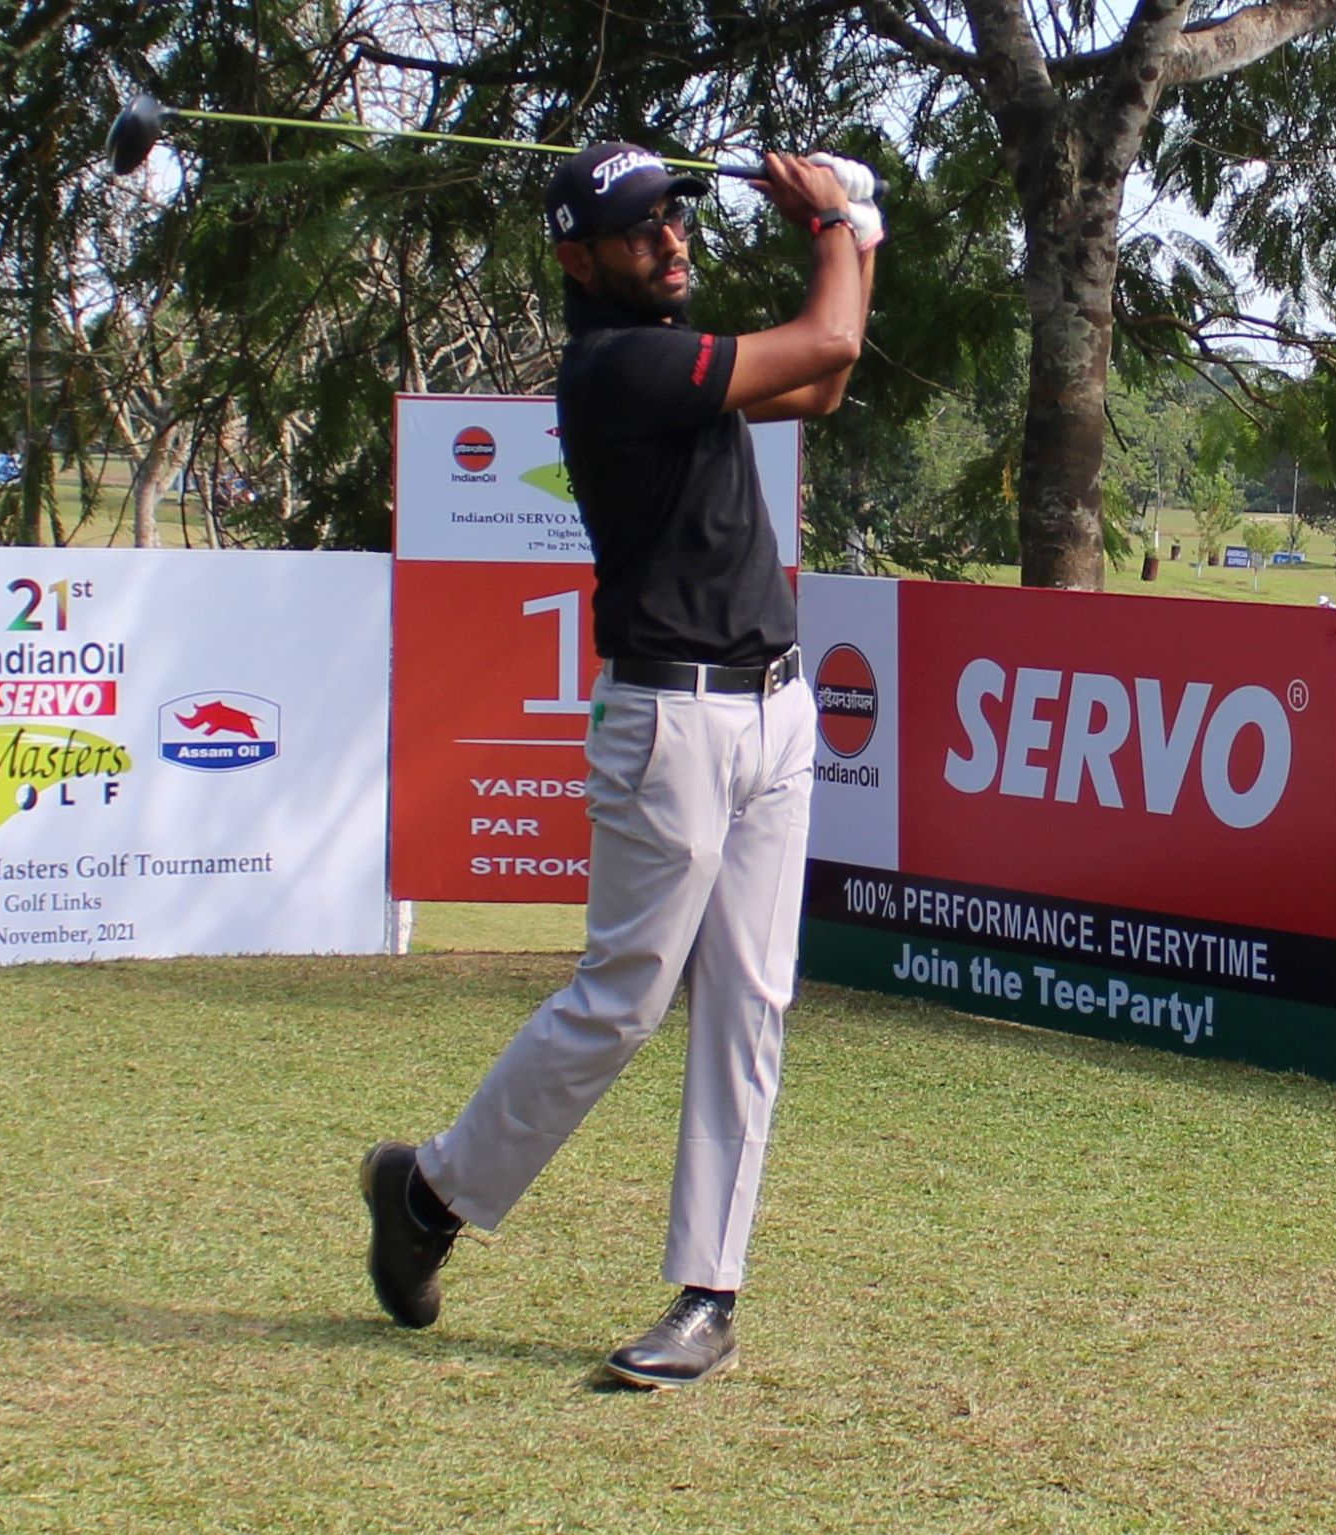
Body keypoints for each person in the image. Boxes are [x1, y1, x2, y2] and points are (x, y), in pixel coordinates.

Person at [361, 141, 880, 1389]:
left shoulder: (676, 356)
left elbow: (820, 386)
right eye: (643, 228)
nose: (672, 240)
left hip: (776, 708)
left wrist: (861, 234)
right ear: (580, 259)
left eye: (676, 219)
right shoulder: (616, 368)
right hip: (671, 724)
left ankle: (710, 1295)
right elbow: (827, 341)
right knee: (624, 998)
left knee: (751, 1000)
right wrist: (833, 223)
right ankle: (428, 1193)